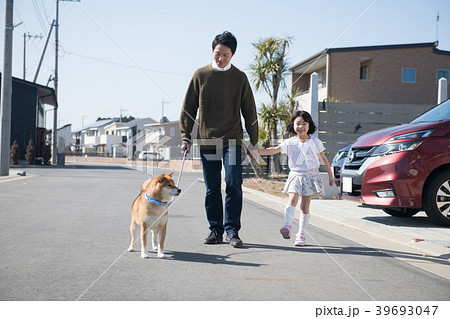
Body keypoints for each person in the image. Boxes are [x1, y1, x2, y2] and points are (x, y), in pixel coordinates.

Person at [179, 31, 258, 247]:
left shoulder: (240, 77)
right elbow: (188, 109)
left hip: (233, 139)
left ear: (233, 54)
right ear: (212, 51)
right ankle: (215, 230)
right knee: (212, 187)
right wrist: (186, 137)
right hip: (208, 141)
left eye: (225, 54)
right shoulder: (200, 75)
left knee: (233, 182)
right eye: (217, 53)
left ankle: (233, 231)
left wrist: (254, 141)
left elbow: (249, 110)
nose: (220, 58)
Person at [250, 110, 334, 246]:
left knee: (304, 206)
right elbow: (275, 149)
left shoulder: (315, 142)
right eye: (297, 123)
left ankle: (301, 234)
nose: (301, 127)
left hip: (310, 176)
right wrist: (258, 152)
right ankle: (287, 225)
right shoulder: (290, 142)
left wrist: (330, 176)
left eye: (304, 124)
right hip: (295, 175)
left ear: (309, 126)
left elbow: (324, 160)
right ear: (293, 126)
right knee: (292, 199)